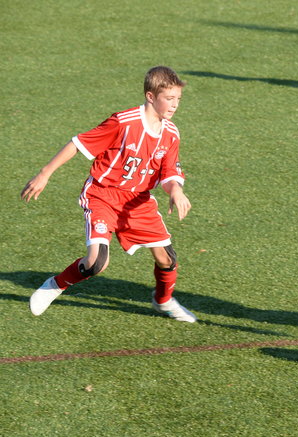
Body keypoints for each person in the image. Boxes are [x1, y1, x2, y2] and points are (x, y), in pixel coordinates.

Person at [21, 66, 197, 322]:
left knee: (167, 259)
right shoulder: (123, 122)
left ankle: (163, 301)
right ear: (150, 96)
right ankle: (55, 285)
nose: (175, 105)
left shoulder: (171, 133)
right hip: (103, 195)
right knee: (96, 263)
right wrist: (44, 173)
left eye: (178, 99)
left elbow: (169, 173)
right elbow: (78, 143)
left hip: (137, 202)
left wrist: (176, 191)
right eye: (169, 98)